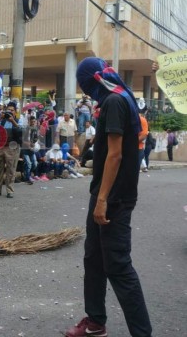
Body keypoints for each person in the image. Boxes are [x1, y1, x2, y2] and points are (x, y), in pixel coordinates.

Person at [65, 57, 152, 337]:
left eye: (83, 84)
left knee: (117, 265)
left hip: (113, 197)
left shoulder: (114, 101)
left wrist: (102, 199)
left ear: (91, 81)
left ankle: (142, 333)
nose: (85, 91)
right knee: (93, 258)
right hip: (104, 193)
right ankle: (95, 321)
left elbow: (116, 154)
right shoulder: (118, 97)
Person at [0, 102, 21, 199]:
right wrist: (0, 117)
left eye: (12, 110)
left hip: (12, 147)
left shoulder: (18, 120)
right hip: (0, 146)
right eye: (8, 110)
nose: (10, 112)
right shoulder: (2, 120)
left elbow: (21, 132)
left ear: (15, 112)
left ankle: (9, 191)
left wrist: (13, 121)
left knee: (11, 170)